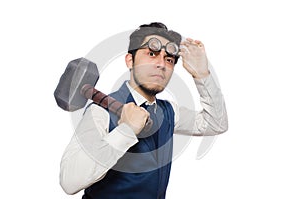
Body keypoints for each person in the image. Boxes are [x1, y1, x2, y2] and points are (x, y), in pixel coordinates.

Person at [59, 22, 228, 199]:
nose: (161, 64)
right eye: (151, 54)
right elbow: (69, 182)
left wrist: (202, 74)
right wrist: (126, 130)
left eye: (169, 59)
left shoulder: (170, 111)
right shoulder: (99, 112)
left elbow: (216, 123)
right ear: (129, 61)